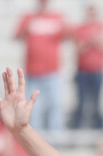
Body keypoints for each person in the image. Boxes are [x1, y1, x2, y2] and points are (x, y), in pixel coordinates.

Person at [14, 0, 69, 132]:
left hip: (52, 70)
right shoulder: (29, 17)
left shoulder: (57, 17)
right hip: (33, 70)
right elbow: (16, 35)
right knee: (34, 107)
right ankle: (35, 137)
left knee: (55, 105)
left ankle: (56, 138)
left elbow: (69, 35)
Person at [69, 5, 103, 130]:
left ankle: (98, 129)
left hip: (97, 70)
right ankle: (77, 128)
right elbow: (77, 49)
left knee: (97, 102)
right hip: (83, 71)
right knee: (81, 102)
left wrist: (93, 42)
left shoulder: (101, 27)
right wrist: (90, 42)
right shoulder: (80, 29)